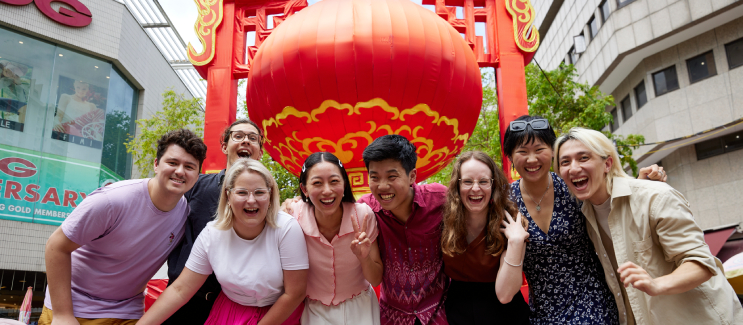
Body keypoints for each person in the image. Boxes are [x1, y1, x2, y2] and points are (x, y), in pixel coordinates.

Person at [555, 127, 743, 325]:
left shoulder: (655, 196)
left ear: (607, 163)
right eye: (565, 162)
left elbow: (701, 263)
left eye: (583, 158)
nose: (574, 168)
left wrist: (656, 284)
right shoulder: (583, 215)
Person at [503, 115, 666, 325]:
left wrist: (641, 185)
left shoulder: (572, 185)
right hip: (543, 313)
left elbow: (610, 199)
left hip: (594, 301)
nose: (532, 159)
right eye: (522, 152)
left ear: (553, 152)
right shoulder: (507, 200)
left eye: (539, 149)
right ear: (510, 157)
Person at [41, 129, 207, 325]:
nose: (180, 171)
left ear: (197, 175)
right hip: (75, 307)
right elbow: (56, 246)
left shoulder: (185, 215)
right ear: (156, 164)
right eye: (172, 163)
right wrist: (62, 314)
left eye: (189, 166)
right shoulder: (112, 200)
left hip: (127, 312)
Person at [138, 159, 309, 325]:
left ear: (270, 194)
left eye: (259, 192)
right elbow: (180, 289)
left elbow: (295, 293)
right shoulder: (212, 234)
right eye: (242, 192)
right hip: (230, 313)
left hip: (280, 313)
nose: (251, 200)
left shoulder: (286, 228)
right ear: (228, 195)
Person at [164, 119, 264, 324]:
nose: (246, 141)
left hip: (232, 309)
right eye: (238, 136)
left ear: (260, 152)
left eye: (253, 138)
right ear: (225, 146)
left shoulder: (267, 201)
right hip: (183, 301)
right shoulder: (195, 185)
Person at [357, 134, 448, 325]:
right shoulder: (365, 210)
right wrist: (299, 205)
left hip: (439, 313)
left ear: (412, 176)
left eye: (392, 176)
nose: (382, 186)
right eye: (374, 177)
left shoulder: (439, 199)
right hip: (391, 316)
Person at [288, 152, 382, 324]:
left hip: (360, 309)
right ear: (304, 189)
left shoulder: (363, 216)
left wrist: (364, 258)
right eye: (317, 183)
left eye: (334, 181)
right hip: (314, 311)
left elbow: (376, 279)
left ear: (344, 184)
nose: (327, 191)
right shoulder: (293, 217)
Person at [440, 151, 531, 324]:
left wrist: (516, 242)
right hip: (457, 310)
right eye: (467, 181)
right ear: (457, 186)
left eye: (483, 181)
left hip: (504, 312)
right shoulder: (443, 221)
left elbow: (505, 295)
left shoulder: (511, 222)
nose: (475, 188)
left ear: (494, 186)